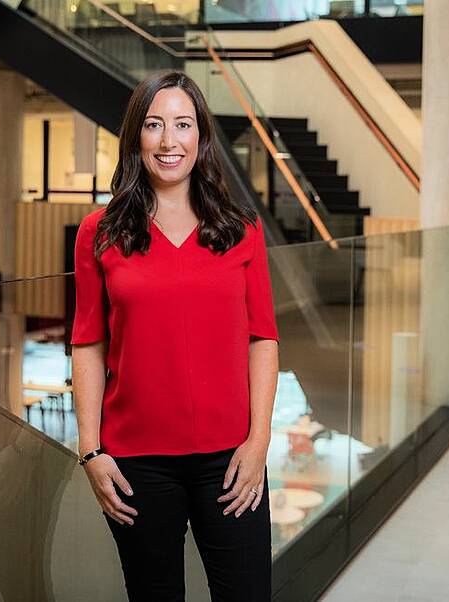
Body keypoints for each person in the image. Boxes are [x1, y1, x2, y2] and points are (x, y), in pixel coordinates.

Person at [69, 70, 281, 602]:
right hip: (137, 465)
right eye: (154, 125)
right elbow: (88, 343)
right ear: (135, 137)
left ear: (201, 138)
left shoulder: (242, 228)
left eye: (183, 125)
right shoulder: (101, 232)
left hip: (231, 461)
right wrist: (91, 451)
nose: (169, 141)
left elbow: (264, 339)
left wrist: (258, 442)